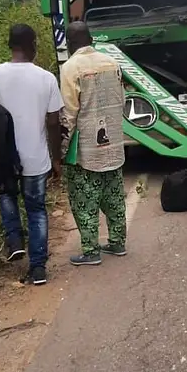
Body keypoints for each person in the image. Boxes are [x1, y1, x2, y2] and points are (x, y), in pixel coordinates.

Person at [0, 24, 63, 285]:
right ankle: (38, 269)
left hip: (2, 156)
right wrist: (56, 158)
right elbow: (53, 122)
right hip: (35, 157)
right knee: (36, 209)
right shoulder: (46, 78)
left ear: (10, 45)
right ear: (32, 45)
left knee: (5, 194)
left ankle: (14, 240)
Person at [60, 22, 127, 265]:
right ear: (91, 39)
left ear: (69, 43)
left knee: (84, 200)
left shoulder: (70, 68)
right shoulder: (112, 62)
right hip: (114, 144)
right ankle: (117, 242)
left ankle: (91, 251)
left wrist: (62, 149)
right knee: (114, 196)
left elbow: (69, 113)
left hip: (87, 148)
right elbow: (122, 99)